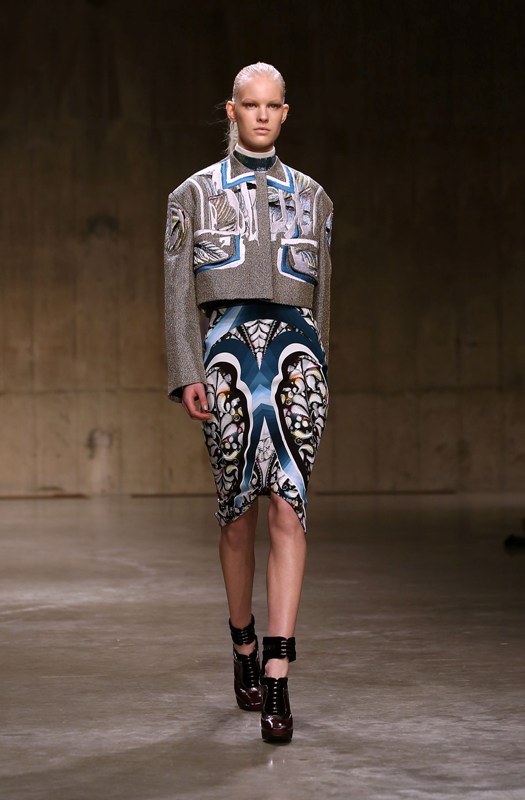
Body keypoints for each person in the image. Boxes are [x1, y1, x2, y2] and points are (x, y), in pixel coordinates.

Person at [164, 62, 333, 744]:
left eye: (272, 105)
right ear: (231, 110)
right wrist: (187, 372)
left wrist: (322, 369)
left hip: (298, 361)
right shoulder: (191, 195)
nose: (261, 115)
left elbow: (326, 298)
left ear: (285, 112)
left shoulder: (315, 197)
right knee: (237, 513)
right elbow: (178, 292)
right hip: (226, 359)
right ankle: (242, 641)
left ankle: (277, 673)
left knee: (289, 508)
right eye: (249, 105)